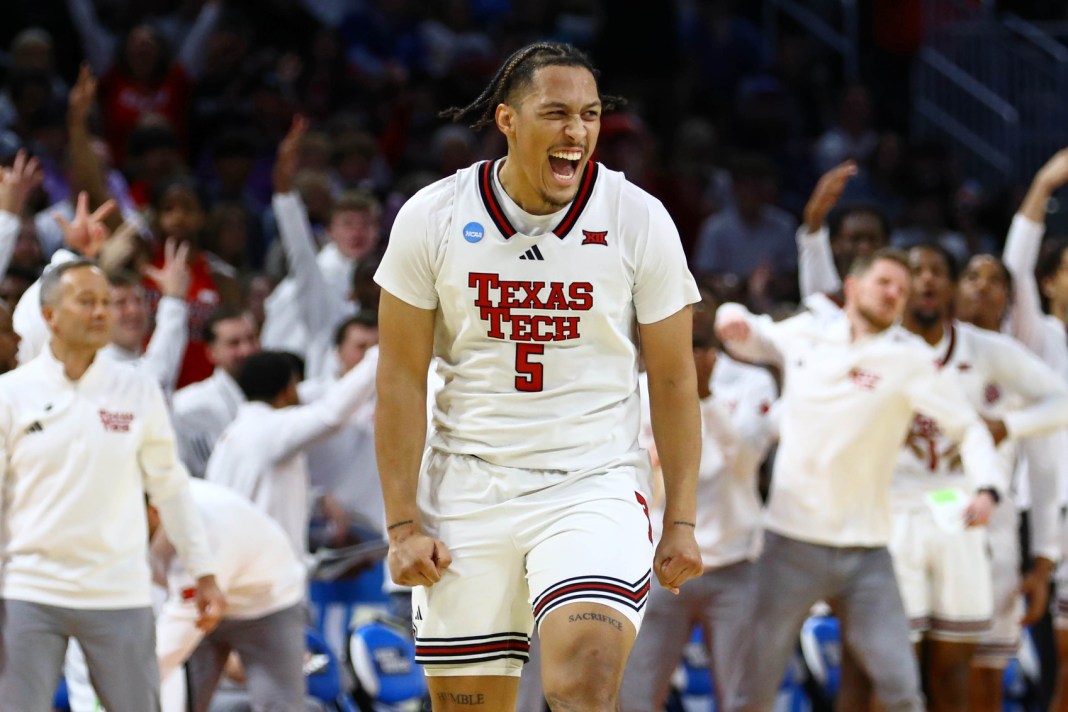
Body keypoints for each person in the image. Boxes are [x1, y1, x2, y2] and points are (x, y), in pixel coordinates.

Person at [374, 41, 703, 711]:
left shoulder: (636, 217)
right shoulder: (431, 217)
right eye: (556, 113)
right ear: (507, 121)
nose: (577, 131)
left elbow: (673, 379)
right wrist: (402, 525)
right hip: (467, 486)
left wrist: (684, 520)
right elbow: (401, 380)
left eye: (588, 114)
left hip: (593, 485)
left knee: (584, 682)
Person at [715, 248, 1004, 712]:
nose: (896, 295)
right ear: (852, 287)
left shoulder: (910, 360)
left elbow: (968, 426)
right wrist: (732, 318)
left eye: (902, 291)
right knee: (754, 690)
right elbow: (752, 333)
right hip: (790, 544)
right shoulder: (808, 334)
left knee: (901, 690)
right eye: (886, 283)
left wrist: (988, 488)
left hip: (867, 553)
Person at [0, 257, 225, 711]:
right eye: (87, 302)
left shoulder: (138, 389)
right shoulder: (11, 393)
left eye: (107, 302)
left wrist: (203, 570)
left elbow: (170, 485)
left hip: (119, 588)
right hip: (29, 587)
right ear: (50, 317)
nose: (103, 312)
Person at [619, 298, 777, 711]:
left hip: (734, 565)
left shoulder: (752, 382)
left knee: (743, 701)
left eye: (698, 336)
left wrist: (703, 396)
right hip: (659, 564)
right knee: (636, 696)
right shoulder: (638, 384)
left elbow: (745, 465)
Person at [205, 347, 380, 557]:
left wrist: (317, 500)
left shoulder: (232, 436)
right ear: (288, 389)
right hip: (267, 571)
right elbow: (331, 415)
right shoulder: (270, 429)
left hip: (240, 562)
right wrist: (378, 354)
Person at [263, 116, 382, 379]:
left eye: (366, 224)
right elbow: (296, 236)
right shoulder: (315, 277)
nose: (357, 232)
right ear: (330, 231)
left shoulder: (386, 277)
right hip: (320, 385)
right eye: (348, 223)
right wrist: (283, 176)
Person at [171, 306, 260, 478]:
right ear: (211, 352)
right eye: (234, 343)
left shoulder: (277, 394)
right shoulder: (188, 405)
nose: (247, 350)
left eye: (252, 339)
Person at [102, 237, 190, 393]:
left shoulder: (140, 360)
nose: (133, 310)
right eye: (120, 303)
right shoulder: (96, 366)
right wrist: (174, 300)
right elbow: (152, 380)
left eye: (138, 300)